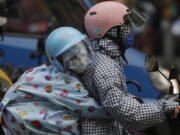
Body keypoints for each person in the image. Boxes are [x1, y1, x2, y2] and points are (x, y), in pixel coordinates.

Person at [80, 1, 180, 134]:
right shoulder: (105, 67)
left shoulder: (106, 57)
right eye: (126, 26)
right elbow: (128, 114)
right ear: (111, 31)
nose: (130, 31)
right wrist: (167, 106)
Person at [0, 27, 110, 135]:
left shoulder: (39, 70)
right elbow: (93, 109)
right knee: (75, 123)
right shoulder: (65, 83)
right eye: (73, 59)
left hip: (12, 115)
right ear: (59, 62)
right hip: (20, 122)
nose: (82, 61)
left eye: (83, 54)